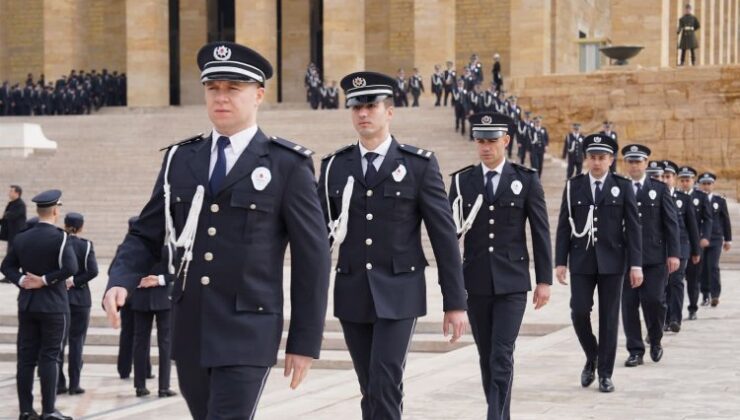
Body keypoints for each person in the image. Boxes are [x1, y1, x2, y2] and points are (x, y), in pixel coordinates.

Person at [102, 41, 330, 420]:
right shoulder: (181, 159)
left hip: (248, 330)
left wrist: (304, 341)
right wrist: (120, 278)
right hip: (190, 328)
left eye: (233, 89)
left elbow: (313, 258)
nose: (221, 98)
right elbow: (146, 232)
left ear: (258, 95)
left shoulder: (286, 164)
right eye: (213, 89)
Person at [318, 71, 468, 420]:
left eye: (371, 106)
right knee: (369, 386)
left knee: (385, 382)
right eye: (355, 107)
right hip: (353, 290)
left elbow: (444, 236)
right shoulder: (334, 168)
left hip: (400, 291)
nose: (362, 114)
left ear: (389, 111)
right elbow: (317, 236)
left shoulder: (418, 165)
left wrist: (455, 302)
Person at [448, 112, 551, 420]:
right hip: (476, 281)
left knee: (502, 354)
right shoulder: (462, 181)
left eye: (492, 141)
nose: (485, 147)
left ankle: (494, 416)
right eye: (480, 141)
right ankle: (500, 413)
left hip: (513, 282)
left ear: (505, 141)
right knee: (486, 355)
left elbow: (540, 231)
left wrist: (544, 280)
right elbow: (449, 236)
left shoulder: (525, 180)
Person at [555, 135, 642, 393]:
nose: (596, 162)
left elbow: (634, 229)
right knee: (579, 311)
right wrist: (560, 261)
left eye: (602, 158)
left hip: (613, 262)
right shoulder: (574, 186)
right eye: (592, 157)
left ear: (611, 160)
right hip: (581, 259)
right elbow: (563, 226)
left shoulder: (622, 186)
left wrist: (636, 264)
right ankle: (592, 355)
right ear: (586, 159)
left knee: (608, 318)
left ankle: (605, 373)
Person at [1, 190, 78, 420]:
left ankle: (25, 410)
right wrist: (45, 280)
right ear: (55, 210)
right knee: (50, 357)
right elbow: (71, 269)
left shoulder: (22, 237)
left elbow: (7, 267)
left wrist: (23, 280)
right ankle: (48, 410)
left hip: (27, 305)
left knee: (26, 358)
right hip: (53, 306)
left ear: (37, 210)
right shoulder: (61, 237)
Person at [619, 145, 680, 368]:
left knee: (655, 301)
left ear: (646, 164)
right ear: (626, 164)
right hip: (625, 258)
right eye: (631, 161)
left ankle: (655, 339)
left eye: (638, 161)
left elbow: (671, 224)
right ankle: (635, 350)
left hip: (654, 257)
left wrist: (674, 253)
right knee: (629, 305)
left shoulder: (660, 189)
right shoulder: (618, 187)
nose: (634, 165)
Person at [57, 212, 99, 396]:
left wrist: (64, 280)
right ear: (81, 227)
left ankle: (59, 383)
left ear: (65, 224)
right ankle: (75, 384)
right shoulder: (86, 245)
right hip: (81, 298)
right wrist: (75, 281)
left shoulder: (58, 243)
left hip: (60, 297)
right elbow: (93, 271)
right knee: (77, 342)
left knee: (58, 342)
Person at [660, 161, 700, 333]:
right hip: (660, 249)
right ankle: (665, 318)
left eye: (668, 176)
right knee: (662, 285)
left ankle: (675, 318)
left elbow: (692, 226)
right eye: (662, 176)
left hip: (681, 247)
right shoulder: (653, 197)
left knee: (676, 282)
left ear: (674, 179)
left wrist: (696, 250)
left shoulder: (684, 199)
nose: (665, 180)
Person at [131, 256, 176, 398]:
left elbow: (121, 271)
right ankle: (163, 387)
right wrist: (160, 280)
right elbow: (177, 272)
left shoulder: (135, 248)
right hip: (163, 299)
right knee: (165, 343)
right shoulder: (168, 246)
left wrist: (140, 281)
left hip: (141, 297)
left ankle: (140, 386)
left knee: (140, 343)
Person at [677, 166, 712, 320]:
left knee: (693, 278)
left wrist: (705, 236)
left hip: (694, 243)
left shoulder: (701, 197)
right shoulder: (673, 196)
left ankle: (692, 308)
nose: (685, 183)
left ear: (693, 181)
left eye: (688, 180)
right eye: (682, 180)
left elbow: (708, 219)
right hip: (678, 243)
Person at [697, 172, 732, 307]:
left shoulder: (719, 200)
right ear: (700, 185)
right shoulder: (696, 199)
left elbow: (726, 220)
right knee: (702, 267)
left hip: (716, 238)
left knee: (713, 266)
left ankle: (715, 295)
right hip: (700, 238)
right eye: (704, 184)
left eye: (709, 184)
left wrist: (728, 240)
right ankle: (705, 294)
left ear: (713, 185)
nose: (706, 186)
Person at [1, 185, 27, 253]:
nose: (9, 193)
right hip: (11, 233)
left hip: (17, 234)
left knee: (14, 252)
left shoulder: (20, 204)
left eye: (11, 191)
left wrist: (6, 214)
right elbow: (5, 218)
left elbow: (13, 215)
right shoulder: (11, 204)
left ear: (17, 193)